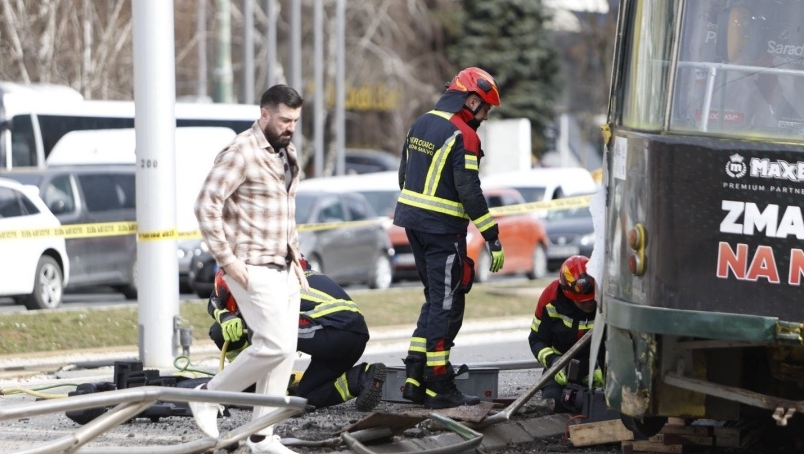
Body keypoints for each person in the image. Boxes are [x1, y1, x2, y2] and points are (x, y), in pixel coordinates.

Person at [190, 84, 307, 454]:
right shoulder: (241, 151)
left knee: (284, 355)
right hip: (251, 267)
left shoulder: (286, 153)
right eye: (285, 120)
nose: (290, 127)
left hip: (285, 267)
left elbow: (284, 211)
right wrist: (227, 261)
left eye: (295, 121)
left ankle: (262, 436)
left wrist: (297, 260)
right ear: (264, 114)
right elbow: (206, 205)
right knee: (273, 345)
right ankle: (208, 396)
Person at [392, 66, 505, 409]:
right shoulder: (464, 135)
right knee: (447, 303)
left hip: (413, 224)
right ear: (471, 101)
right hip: (443, 230)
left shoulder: (420, 123)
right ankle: (439, 384)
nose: (485, 116)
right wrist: (492, 235)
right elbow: (469, 191)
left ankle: (415, 377)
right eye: (485, 108)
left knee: (434, 299)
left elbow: (403, 176)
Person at [207, 264, 387, 412]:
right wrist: (225, 316)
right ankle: (362, 378)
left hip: (332, 330)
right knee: (305, 397)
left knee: (261, 328)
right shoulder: (280, 273)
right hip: (355, 336)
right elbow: (214, 300)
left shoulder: (263, 288)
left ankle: (272, 391)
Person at [529, 255, 604, 414]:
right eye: (583, 301)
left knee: (608, 405)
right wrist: (554, 362)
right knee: (553, 403)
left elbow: (621, 341)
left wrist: (606, 368)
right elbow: (536, 340)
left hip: (599, 367)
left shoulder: (606, 298)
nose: (590, 303)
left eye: (592, 298)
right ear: (568, 294)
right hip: (561, 367)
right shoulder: (551, 299)